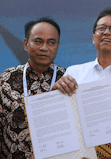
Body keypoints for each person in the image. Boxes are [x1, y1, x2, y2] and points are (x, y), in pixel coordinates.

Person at [52, 7, 111, 159]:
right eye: (101, 28)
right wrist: (54, 95)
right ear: (93, 37)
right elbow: (58, 119)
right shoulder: (73, 73)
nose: (106, 32)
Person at [0, 18, 65, 159]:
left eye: (51, 42)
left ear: (58, 46)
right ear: (25, 44)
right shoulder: (5, 80)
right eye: (38, 41)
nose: (44, 48)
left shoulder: (70, 79)